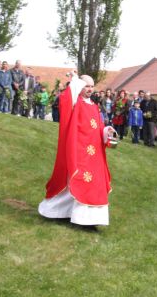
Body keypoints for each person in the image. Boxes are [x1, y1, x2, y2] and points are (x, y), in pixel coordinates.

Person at [39, 71, 115, 226]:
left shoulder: (94, 106)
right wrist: (75, 80)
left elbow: (98, 127)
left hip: (95, 154)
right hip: (79, 151)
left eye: (92, 86)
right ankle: (72, 217)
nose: (90, 89)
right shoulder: (75, 103)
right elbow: (66, 98)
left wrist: (107, 131)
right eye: (86, 86)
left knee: (96, 184)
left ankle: (91, 220)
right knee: (81, 182)